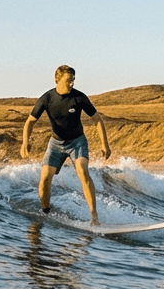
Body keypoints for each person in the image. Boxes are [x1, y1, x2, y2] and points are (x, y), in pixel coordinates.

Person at [20, 65, 112, 225]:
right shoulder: (47, 98)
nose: (72, 83)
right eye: (69, 80)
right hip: (55, 143)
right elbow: (29, 122)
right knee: (45, 178)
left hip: (77, 141)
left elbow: (97, 119)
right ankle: (45, 211)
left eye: (73, 80)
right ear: (58, 79)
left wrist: (105, 144)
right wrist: (25, 142)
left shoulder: (79, 97)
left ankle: (94, 217)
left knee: (83, 172)